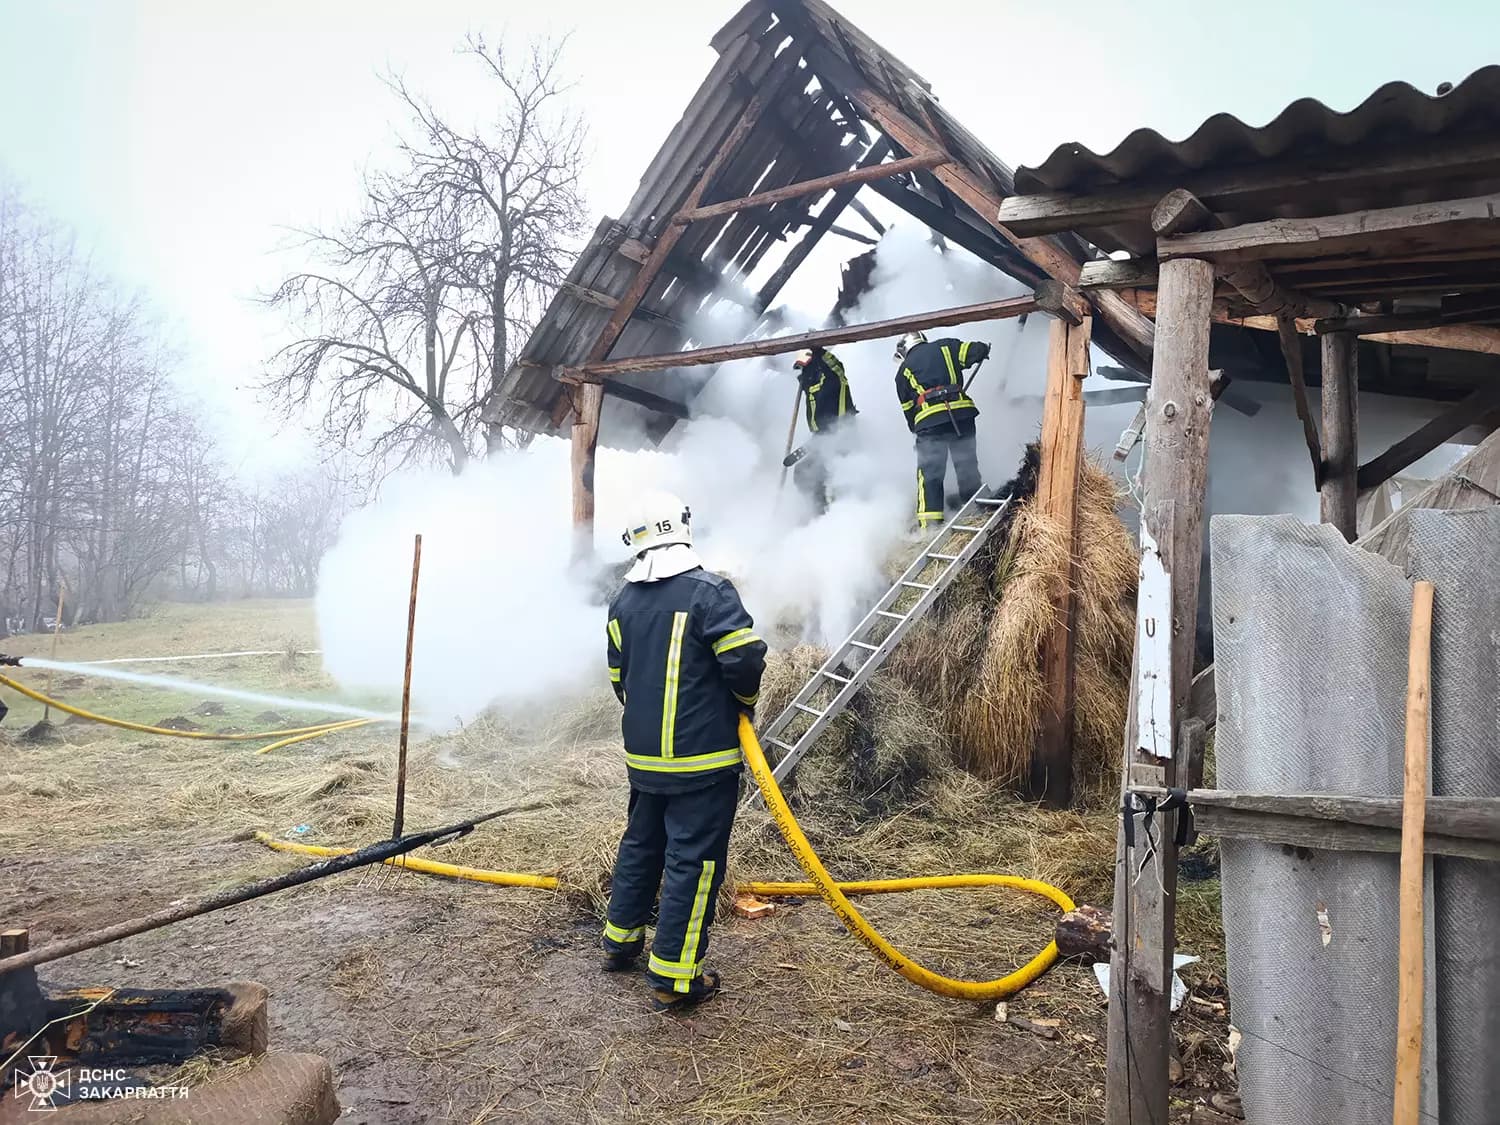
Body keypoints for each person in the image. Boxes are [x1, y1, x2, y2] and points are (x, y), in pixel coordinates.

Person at [602, 490, 767, 1011]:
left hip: (644, 760)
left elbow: (617, 676)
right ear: (682, 528)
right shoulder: (711, 593)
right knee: (692, 861)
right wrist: (743, 703)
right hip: (702, 761)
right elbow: (744, 660)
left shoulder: (623, 601)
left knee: (641, 845)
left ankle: (620, 941)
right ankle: (675, 974)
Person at [893, 330, 991, 530]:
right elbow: (974, 350)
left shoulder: (902, 371)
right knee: (966, 464)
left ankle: (929, 526)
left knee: (930, 473)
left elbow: (908, 411)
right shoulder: (947, 346)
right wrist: (983, 350)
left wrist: (918, 429)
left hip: (929, 423)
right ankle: (977, 508)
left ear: (904, 349)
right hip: (962, 416)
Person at [788, 346, 857, 511]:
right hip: (821, 436)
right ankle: (818, 511)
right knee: (804, 472)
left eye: (804, 367)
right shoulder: (809, 384)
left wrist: (819, 350)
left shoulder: (831, 376)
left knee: (835, 474)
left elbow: (837, 369)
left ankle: (841, 510)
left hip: (840, 431)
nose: (803, 372)